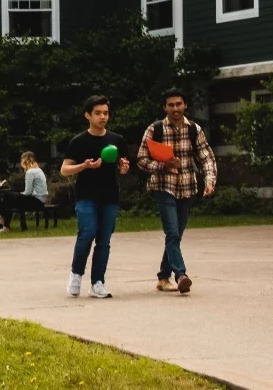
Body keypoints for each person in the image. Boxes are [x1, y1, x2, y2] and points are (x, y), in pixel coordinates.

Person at [137, 88, 217, 296]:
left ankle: (163, 277)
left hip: (187, 187)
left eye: (178, 104)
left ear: (185, 105)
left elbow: (206, 157)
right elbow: (142, 160)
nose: (175, 109)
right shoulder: (155, 130)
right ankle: (181, 275)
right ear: (165, 107)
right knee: (172, 232)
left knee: (176, 235)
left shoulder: (194, 130)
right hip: (164, 187)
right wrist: (163, 165)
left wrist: (209, 180)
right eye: (171, 105)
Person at [61, 93, 130, 299]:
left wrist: (124, 167)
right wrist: (85, 166)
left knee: (104, 240)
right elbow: (64, 170)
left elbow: (123, 166)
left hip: (110, 196)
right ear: (87, 115)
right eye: (98, 113)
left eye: (106, 113)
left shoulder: (117, 140)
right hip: (86, 196)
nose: (103, 117)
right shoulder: (79, 141)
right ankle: (76, 275)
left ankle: (97, 282)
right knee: (87, 233)